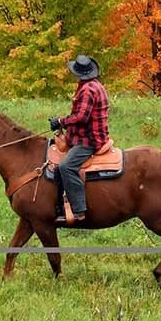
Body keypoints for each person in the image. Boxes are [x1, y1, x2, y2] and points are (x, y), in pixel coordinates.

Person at [49, 55, 109, 224]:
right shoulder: (95, 85)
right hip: (87, 135)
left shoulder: (88, 90)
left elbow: (81, 117)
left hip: (89, 140)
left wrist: (60, 121)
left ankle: (79, 209)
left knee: (66, 166)